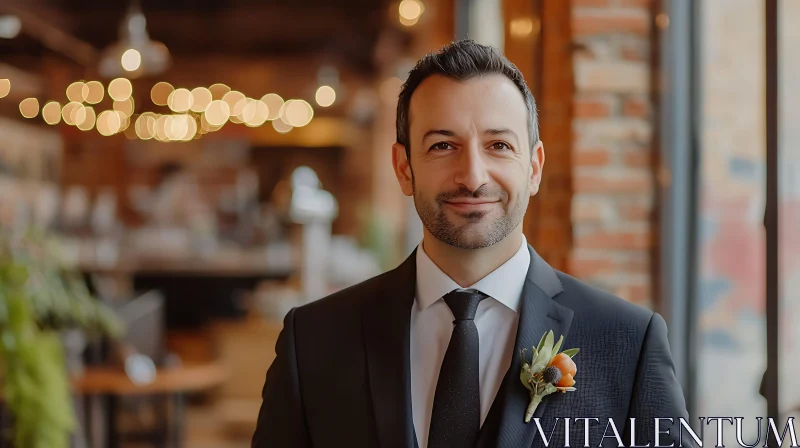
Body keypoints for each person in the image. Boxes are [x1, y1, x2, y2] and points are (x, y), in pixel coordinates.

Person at [252, 40, 692, 448]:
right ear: (404, 169)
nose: (473, 176)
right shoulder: (312, 340)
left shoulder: (628, 343)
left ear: (534, 167)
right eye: (443, 145)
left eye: (499, 145)